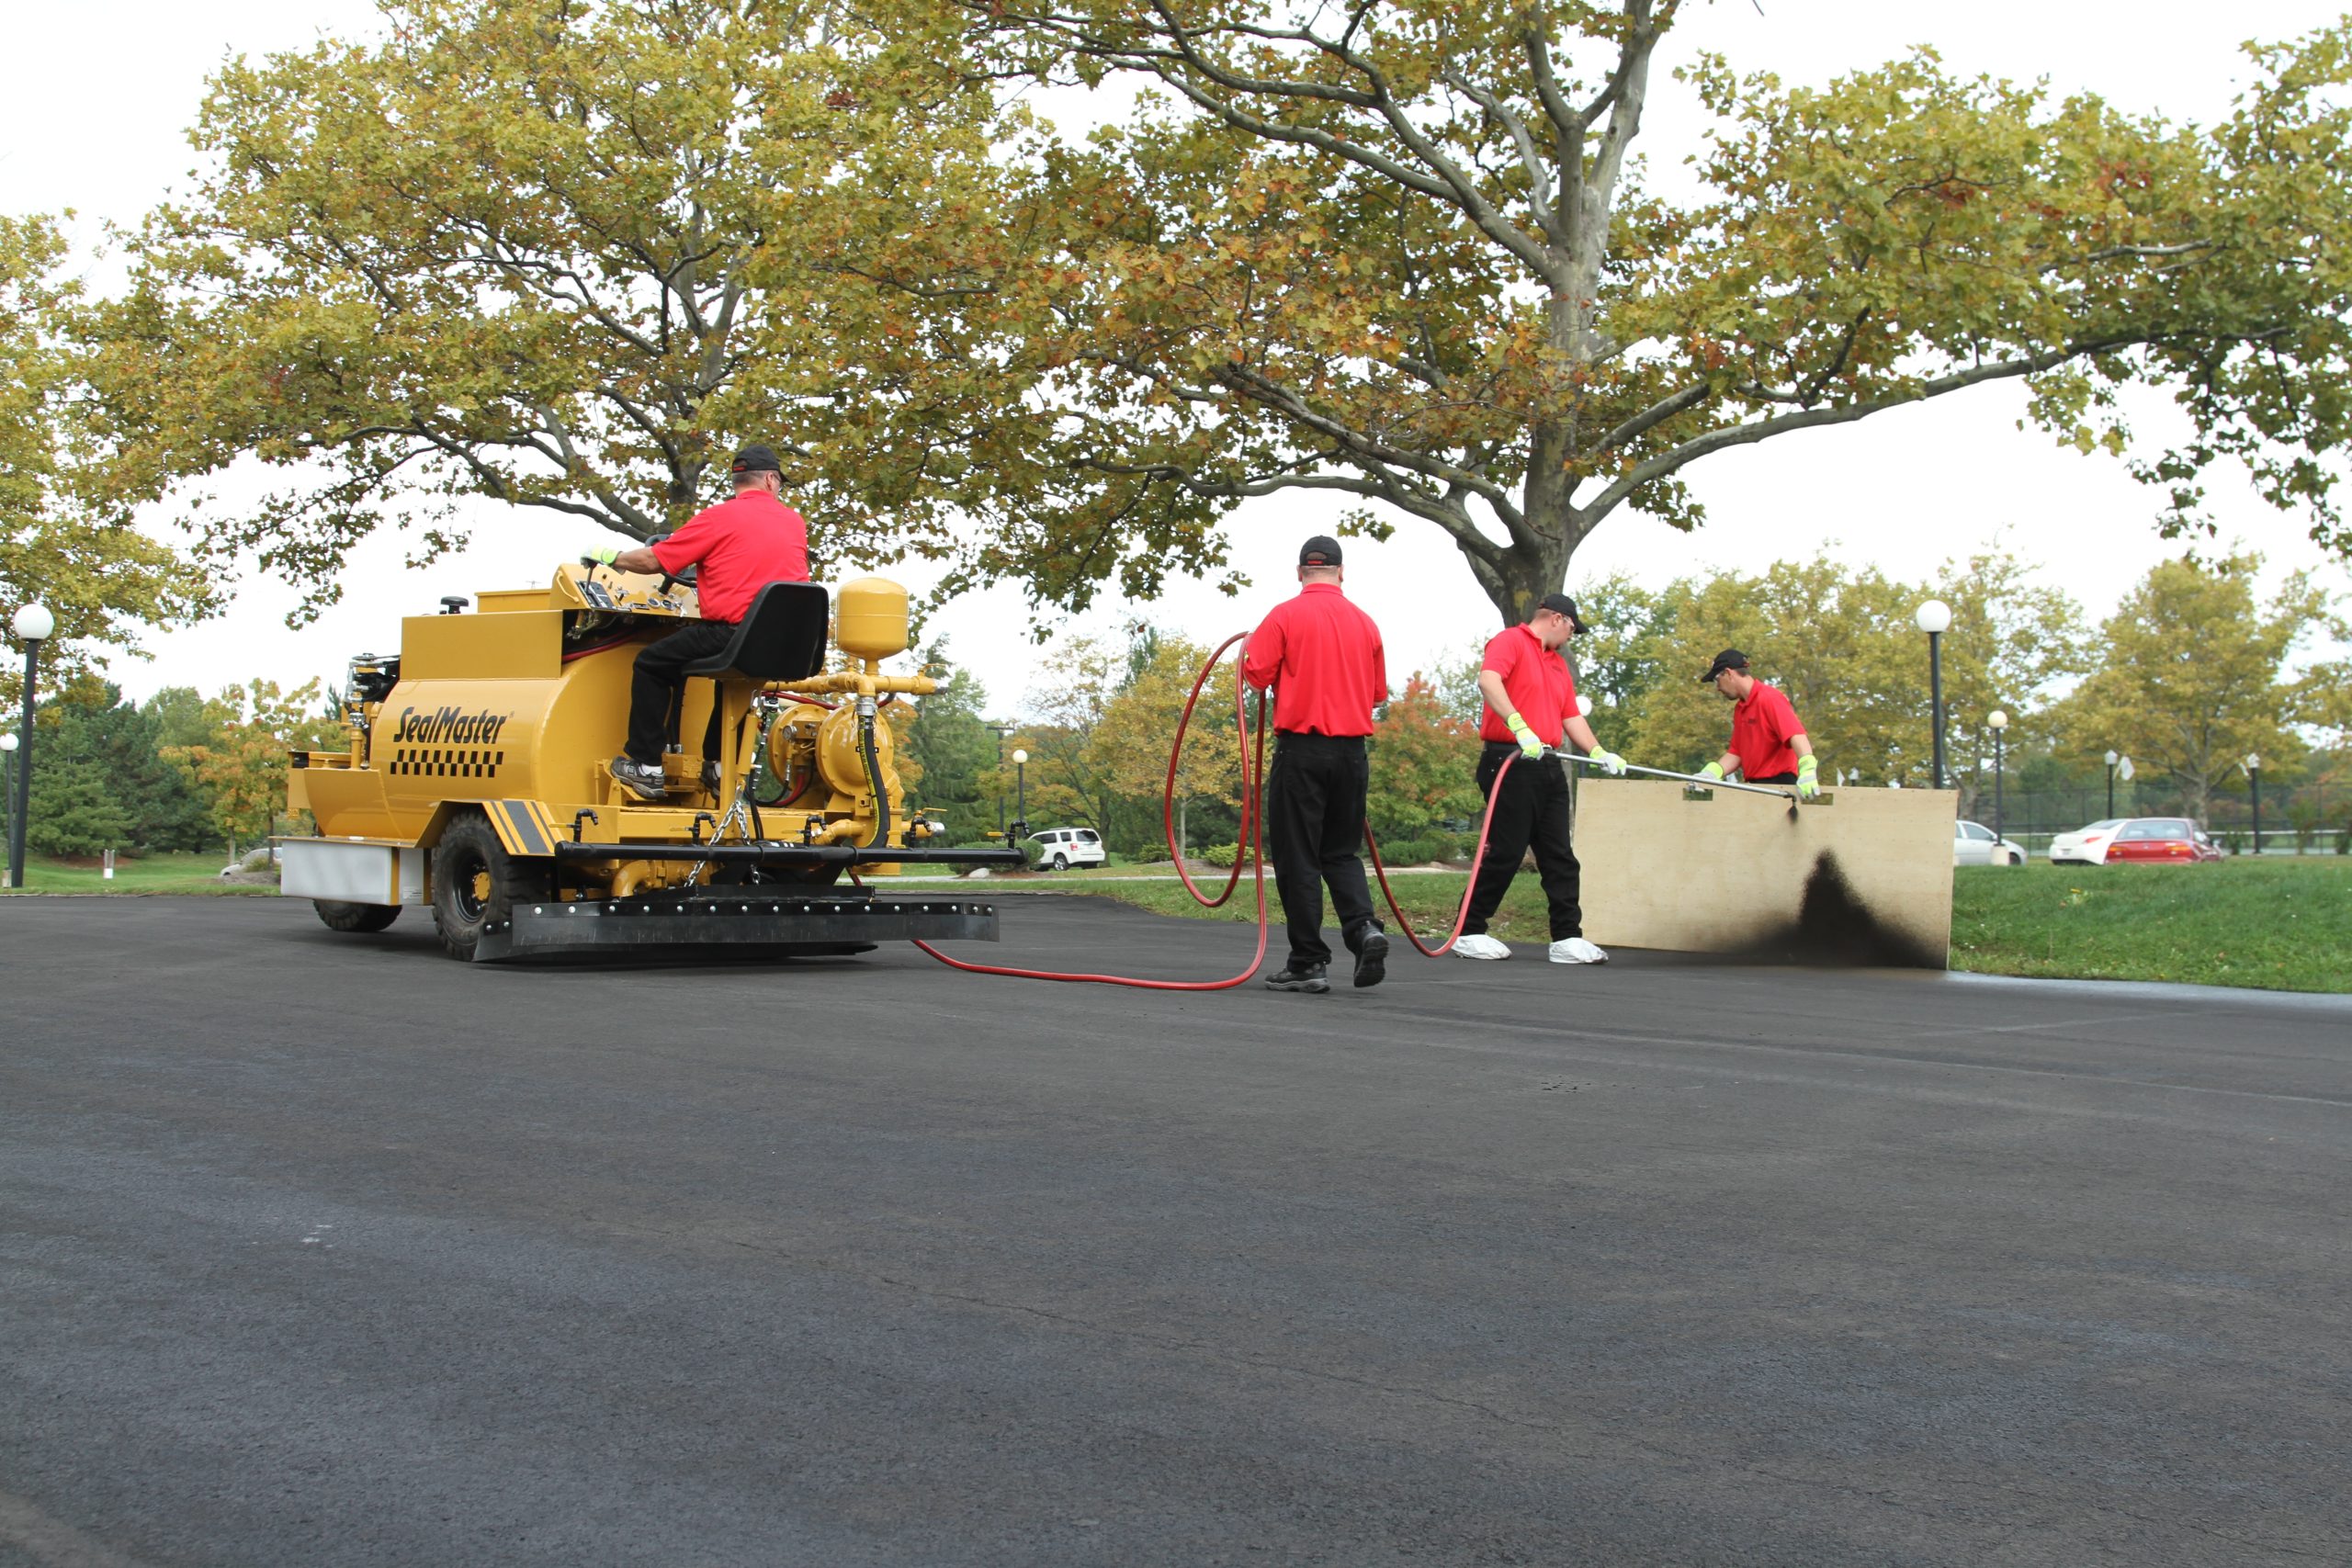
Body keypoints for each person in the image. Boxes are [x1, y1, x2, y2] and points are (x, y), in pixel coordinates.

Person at [592, 444, 810, 802]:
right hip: (785, 640)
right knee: (740, 681)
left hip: (732, 633)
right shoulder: (794, 522)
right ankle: (718, 766)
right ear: (771, 480)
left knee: (653, 663)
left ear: (738, 480)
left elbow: (652, 562)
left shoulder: (719, 517)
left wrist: (608, 557)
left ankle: (645, 765)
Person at [1241, 535, 1391, 995]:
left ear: (1300, 571)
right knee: (1341, 853)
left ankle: (1308, 962)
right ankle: (1364, 928)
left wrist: (1254, 647)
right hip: (1351, 754)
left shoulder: (1284, 614)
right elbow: (1378, 695)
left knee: (1299, 857)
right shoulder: (1366, 623)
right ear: (1341, 572)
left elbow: (1256, 673)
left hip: (1302, 750)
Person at [1453, 593, 1626, 965]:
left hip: (1547, 762)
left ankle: (1566, 937)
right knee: (1506, 851)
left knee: (1559, 855)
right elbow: (1488, 680)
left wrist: (1597, 751)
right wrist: (1518, 726)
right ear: (1558, 619)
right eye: (1572, 630)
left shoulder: (1558, 665)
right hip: (1509, 760)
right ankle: (1469, 931)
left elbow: (1570, 716)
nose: (1571, 638)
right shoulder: (1510, 641)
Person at [1695, 649, 1819, 797]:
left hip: (1780, 786)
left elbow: (1797, 735)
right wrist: (1710, 774)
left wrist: (1807, 771)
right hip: (1757, 787)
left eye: (1717, 680)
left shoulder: (1769, 698)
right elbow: (1736, 752)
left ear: (1728, 673)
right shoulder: (1741, 708)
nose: (1718, 688)